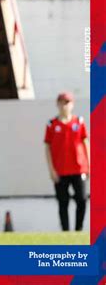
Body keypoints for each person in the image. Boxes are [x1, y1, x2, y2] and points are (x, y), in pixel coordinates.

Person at [44, 92, 90, 231]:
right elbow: (47, 147)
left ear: (72, 104)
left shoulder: (79, 122)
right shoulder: (52, 124)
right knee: (63, 202)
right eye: (62, 102)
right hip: (60, 170)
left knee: (81, 199)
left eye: (67, 102)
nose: (64, 105)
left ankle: (78, 229)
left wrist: (89, 165)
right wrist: (51, 170)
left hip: (78, 168)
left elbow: (85, 143)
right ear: (57, 104)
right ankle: (65, 231)